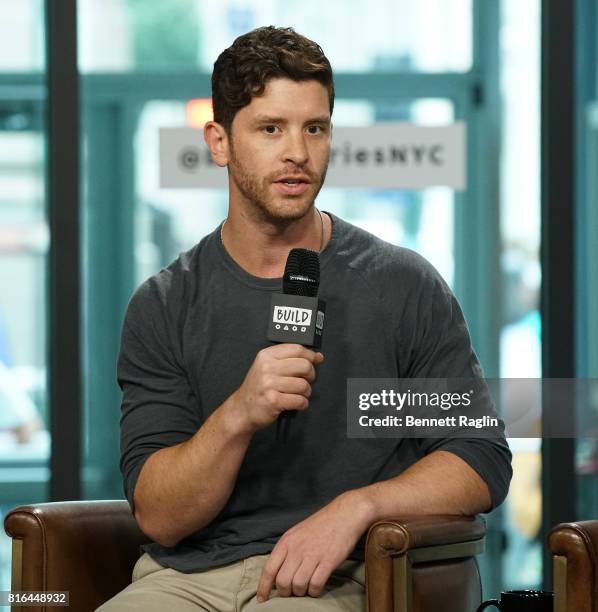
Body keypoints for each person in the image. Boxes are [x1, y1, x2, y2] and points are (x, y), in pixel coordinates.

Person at [98, 26, 512, 611]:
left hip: (342, 577)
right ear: (219, 142)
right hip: (188, 579)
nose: (298, 151)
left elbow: (479, 459)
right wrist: (239, 414)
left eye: (314, 128)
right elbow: (162, 517)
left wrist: (360, 507)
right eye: (271, 129)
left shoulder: (399, 286)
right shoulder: (165, 304)